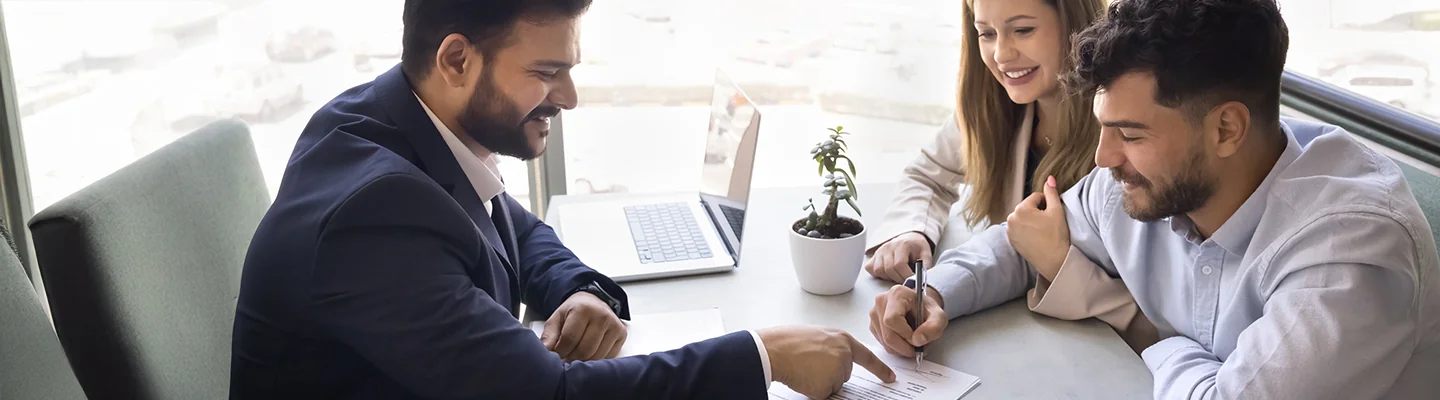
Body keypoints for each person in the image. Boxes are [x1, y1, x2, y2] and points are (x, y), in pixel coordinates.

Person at [229, 1, 893, 399]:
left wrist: (577, 289)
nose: (569, 98)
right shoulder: (371, 218)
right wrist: (765, 355)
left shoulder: (390, 117)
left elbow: (505, 219)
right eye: (547, 73)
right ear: (456, 60)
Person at [869, 0, 1440, 398]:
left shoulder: (1349, 253)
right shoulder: (1147, 179)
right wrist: (934, 290)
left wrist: (1157, 340)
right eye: (1104, 127)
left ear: (1226, 130)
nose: (1102, 159)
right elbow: (1025, 241)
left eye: (1132, 135)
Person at [863, 0, 1156, 349]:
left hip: (1102, 348)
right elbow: (931, 176)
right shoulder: (992, 106)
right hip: (1021, 331)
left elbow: (1155, 312)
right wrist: (912, 230)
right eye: (986, 33)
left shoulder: (1125, 137)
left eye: (1023, 30)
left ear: (1078, 25)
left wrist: (1057, 263)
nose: (1001, 54)